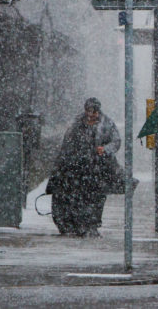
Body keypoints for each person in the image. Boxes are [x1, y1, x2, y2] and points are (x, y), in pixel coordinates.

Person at [47, 97, 125, 238]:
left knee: (96, 198)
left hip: (98, 168)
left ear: (98, 111)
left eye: (94, 112)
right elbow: (67, 143)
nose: (91, 115)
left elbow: (116, 141)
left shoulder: (107, 124)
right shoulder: (76, 124)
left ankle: (91, 225)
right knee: (78, 197)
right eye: (88, 112)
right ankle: (78, 224)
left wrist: (105, 149)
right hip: (78, 168)